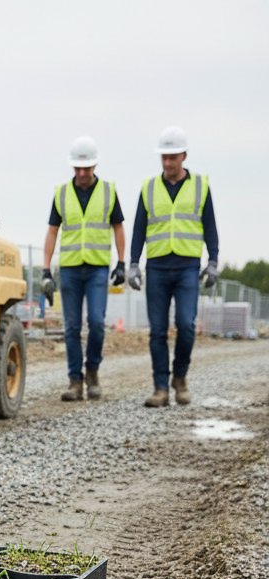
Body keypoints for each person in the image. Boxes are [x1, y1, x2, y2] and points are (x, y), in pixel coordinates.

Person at [128, 126, 219, 407]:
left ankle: (179, 377)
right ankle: (160, 388)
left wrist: (213, 260)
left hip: (187, 268)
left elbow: (210, 227)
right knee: (157, 330)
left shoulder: (200, 186)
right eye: (164, 158)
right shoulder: (149, 187)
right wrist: (133, 263)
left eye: (173, 158)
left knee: (186, 325)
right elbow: (139, 229)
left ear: (184, 156)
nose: (168, 163)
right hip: (156, 267)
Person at [41, 136, 126, 401]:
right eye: (77, 169)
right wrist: (45, 269)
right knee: (71, 327)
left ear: (95, 165)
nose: (81, 173)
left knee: (97, 324)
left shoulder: (108, 192)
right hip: (70, 270)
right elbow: (52, 231)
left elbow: (118, 228)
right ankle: (74, 381)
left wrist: (122, 262)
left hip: (98, 268)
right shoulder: (62, 193)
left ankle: (92, 371)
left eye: (86, 169)